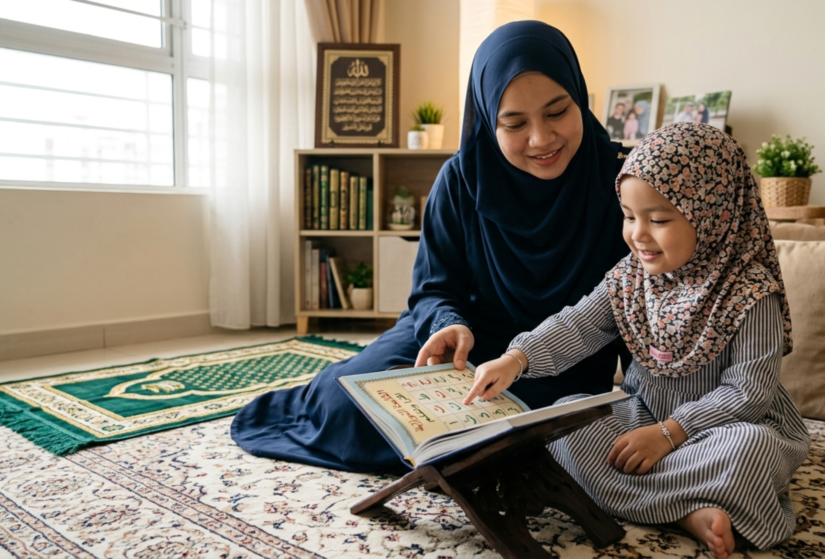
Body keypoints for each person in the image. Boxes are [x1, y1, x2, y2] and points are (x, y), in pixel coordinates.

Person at [230, 20, 633, 474]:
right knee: (342, 403)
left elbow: (642, 304)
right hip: (463, 348)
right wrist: (447, 324)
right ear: (487, 119)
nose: (540, 139)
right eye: (514, 123)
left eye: (558, 112)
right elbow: (434, 288)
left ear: (579, 97)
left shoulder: (622, 182)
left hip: (557, 359)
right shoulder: (461, 180)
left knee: (541, 432)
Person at [462, 122, 810, 558]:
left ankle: (668, 503)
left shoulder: (750, 291)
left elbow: (749, 393)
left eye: (659, 220)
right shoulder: (631, 277)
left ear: (714, 213)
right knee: (561, 425)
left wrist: (671, 433)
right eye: (628, 216)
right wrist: (516, 359)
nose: (638, 235)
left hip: (724, 429)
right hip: (643, 415)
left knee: (750, 452)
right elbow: (577, 325)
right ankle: (687, 510)